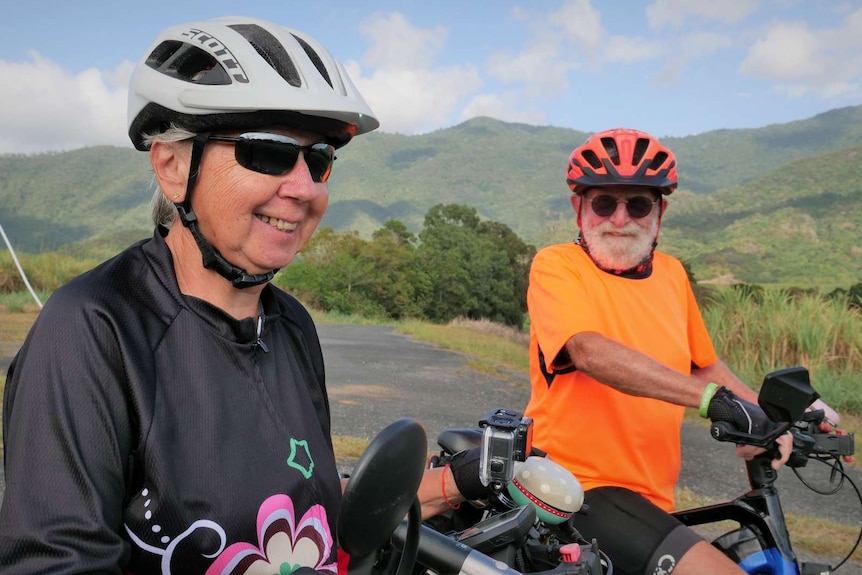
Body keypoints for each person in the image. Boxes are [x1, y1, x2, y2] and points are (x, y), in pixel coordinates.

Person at [0, 16, 476, 574]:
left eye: (319, 159)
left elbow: (308, 507)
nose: (304, 188)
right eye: (267, 152)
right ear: (173, 166)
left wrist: (455, 484)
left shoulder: (291, 324)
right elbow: (57, 563)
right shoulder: (92, 328)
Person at [523, 128, 793, 575]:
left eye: (639, 204)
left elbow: (705, 365)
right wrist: (711, 402)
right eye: (605, 202)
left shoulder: (671, 275)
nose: (620, 218)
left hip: (652, 498)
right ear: (579, 208)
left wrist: (774, 414)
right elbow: (588, 351)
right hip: (575, 486)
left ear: (660, 212)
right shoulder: (557, 265)